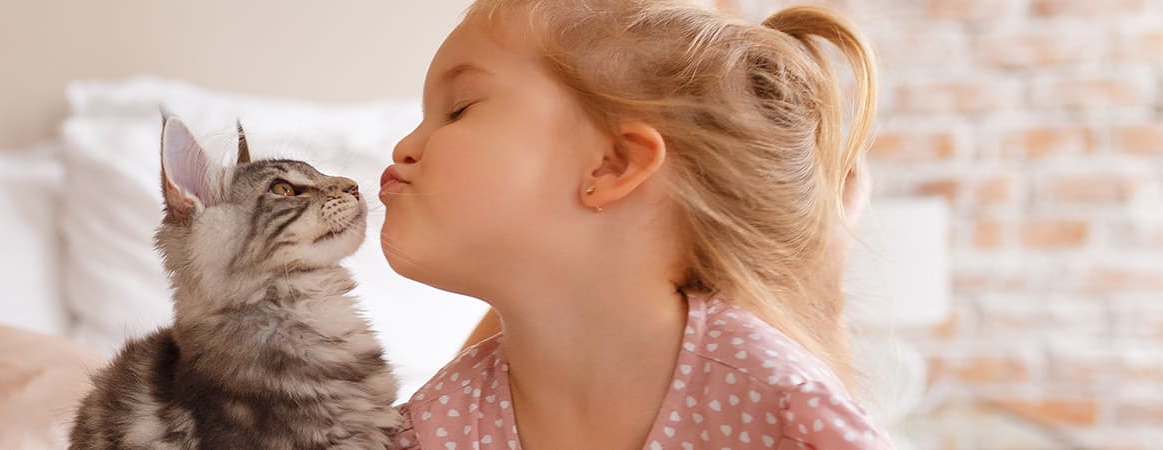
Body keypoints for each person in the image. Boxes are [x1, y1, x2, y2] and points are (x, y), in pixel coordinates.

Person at [377, 0, 889, 448]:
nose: (404, 146)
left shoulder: (785, 411)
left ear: (613, 165)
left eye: (459, 109)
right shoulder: (431, 424)